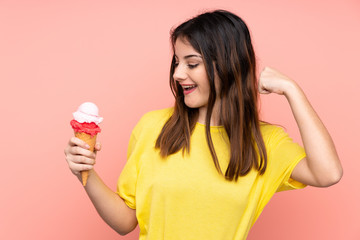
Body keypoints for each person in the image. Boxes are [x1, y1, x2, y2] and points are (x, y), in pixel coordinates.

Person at [64, 9, 343, 239]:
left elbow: (328, 173)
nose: (177, 73)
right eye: (176, 62)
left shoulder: (264, 143)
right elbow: (125, 222)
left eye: (191, 63)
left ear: (227, 66)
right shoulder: (152, 127)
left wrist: (292, 90)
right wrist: (85, 173)